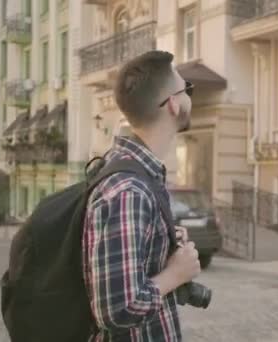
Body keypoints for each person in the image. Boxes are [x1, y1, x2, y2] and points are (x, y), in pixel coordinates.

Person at [82, 50, 200, 341]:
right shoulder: (129, 191)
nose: (190, 97)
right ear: (172, 104)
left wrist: (161, 244)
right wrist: (176, 274)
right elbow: (118, 309)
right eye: (187, 89)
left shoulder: (134, 175)